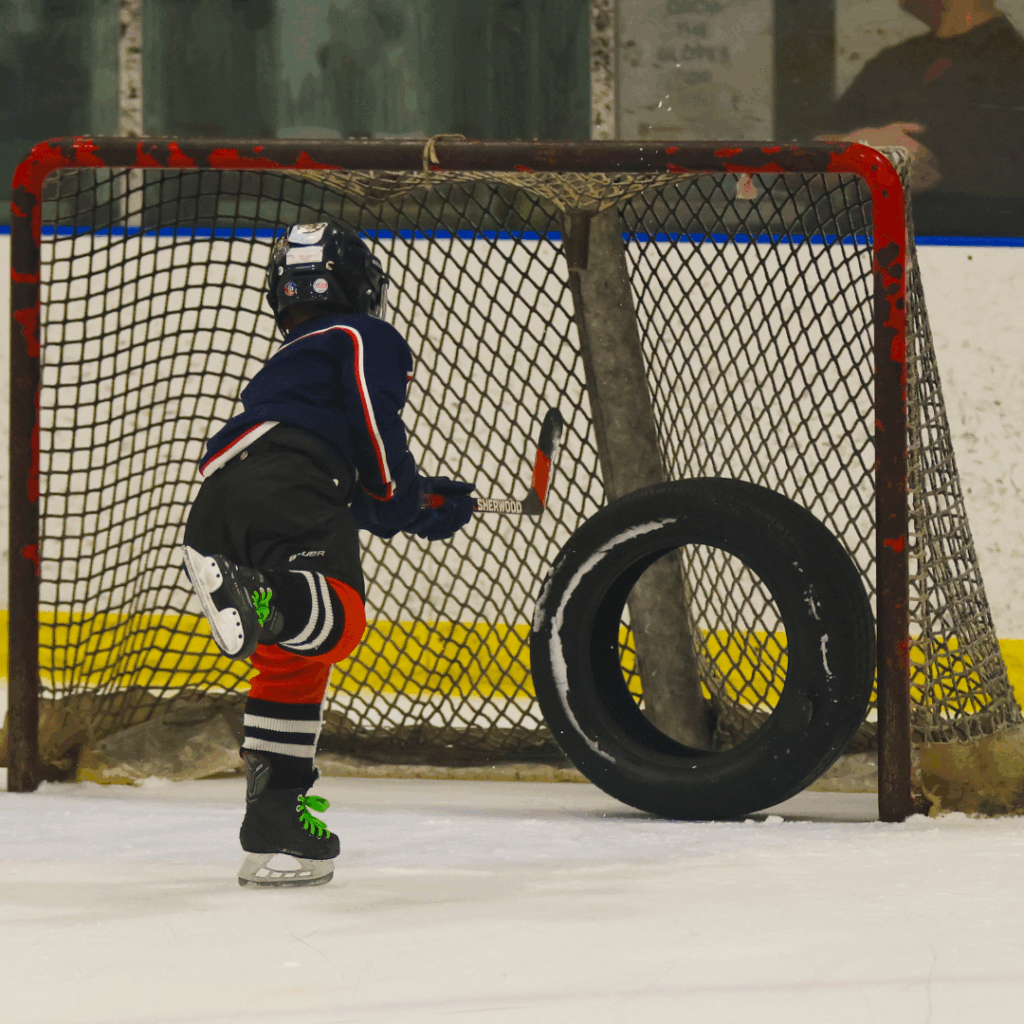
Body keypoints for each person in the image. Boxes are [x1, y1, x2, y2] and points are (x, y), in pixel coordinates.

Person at [181, 220, 475, 887]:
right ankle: (257, 596)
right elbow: (375, 417)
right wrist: (403, 491)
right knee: (338, 619)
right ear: (357, 285)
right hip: (292, 481)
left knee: (296, 657)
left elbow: (345, 483)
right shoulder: (364, 335)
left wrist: (414, 506)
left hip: (230, 497)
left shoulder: (296, 362)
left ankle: (276, 820)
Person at [817, 1, 1024, 233]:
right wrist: (860, 153)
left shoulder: (1014, 66)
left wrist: (938, 172)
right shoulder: (895, 61)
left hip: (975, 250)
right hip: (862, 252)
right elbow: (807, 156)